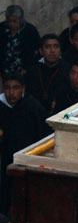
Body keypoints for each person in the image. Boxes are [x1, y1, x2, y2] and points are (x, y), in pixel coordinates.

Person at [0, 72, 49, 214]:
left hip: (27, 160)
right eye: (7, 88)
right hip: (6, 158)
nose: (11, 93)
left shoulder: (33, 108)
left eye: (15, 88)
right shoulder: (1, 106)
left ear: (23, 89)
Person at [24, 34, 68, 116]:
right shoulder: (32, 72)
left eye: (56, 47)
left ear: (60, 50)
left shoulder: (68, 70)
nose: (52, 51)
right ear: (41, 51)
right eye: (48, 47)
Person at [0, 5, 40, 79]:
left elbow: (38, 50)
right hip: (6, 71)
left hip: (25, 71)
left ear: (20, 19)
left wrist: (27, 68)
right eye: (9, 21)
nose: (11, 24)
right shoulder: (2, 28)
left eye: (14, 21)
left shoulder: (30, 30)